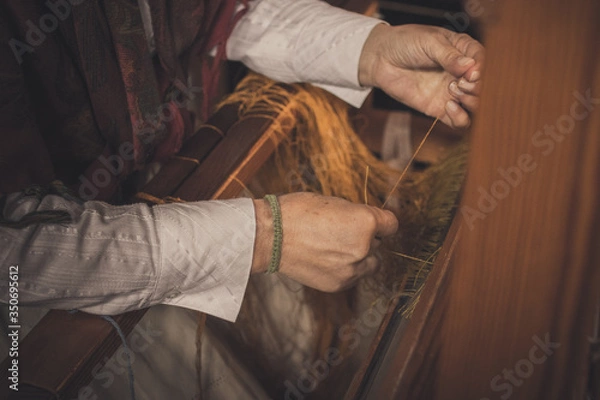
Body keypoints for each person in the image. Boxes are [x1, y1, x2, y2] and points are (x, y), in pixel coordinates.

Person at [0, 0, 483, 323]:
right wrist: (265, 237)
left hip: (175, 191)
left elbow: (229, 13)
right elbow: (15, 258)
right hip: (37, 327)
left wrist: (374, 52)